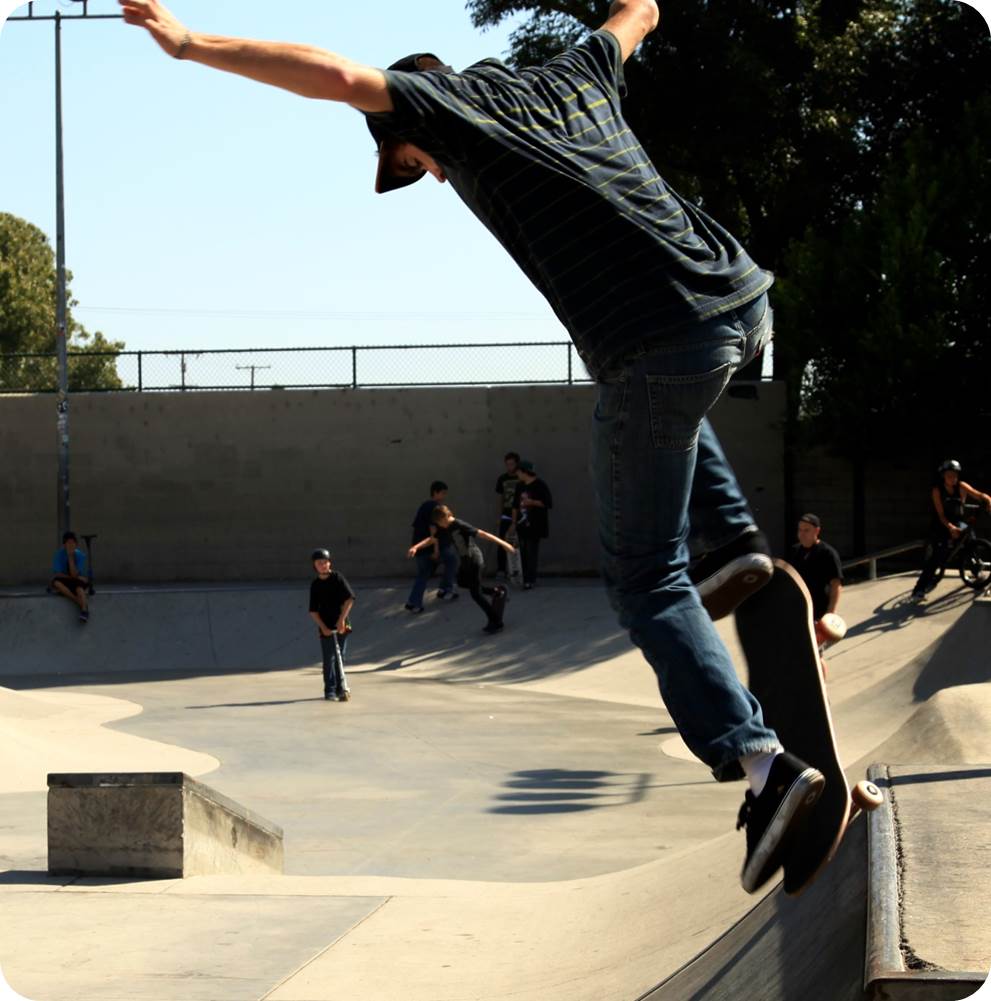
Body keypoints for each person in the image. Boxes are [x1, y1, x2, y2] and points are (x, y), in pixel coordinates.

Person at [121, 0, 823, 894]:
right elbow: (636, 12)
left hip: (654, 347)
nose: (436, 179)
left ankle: (762, 767)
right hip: (739, 302)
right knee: (670, 402)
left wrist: (190, 45)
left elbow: (334, 76)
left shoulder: (451, 111)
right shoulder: (576, 72)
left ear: (413, 121)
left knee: (644, 576)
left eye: (415, 164)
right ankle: (730, 543)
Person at [411, 505, 515, 634]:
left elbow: (483, 534)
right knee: (461, 582)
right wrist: (416, 547)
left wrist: (504, 544)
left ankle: (496, 622)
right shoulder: (445, 527)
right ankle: (495, 592)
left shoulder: (459, 524)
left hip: (475, 560)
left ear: (446, 517)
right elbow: (432, 539)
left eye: (440, 523)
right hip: (465, 561)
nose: (440, 526)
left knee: (475, 594)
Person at [911, 460, 991, 601]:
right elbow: (941, 515)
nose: (952, 478)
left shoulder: (961, 486)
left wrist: (987, 499)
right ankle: (918, 590)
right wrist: (950, 528)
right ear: (943, 476)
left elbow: (979, 495)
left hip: (959, 522)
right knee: (937, 557)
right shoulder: (937, 491)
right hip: (941, 525)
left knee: (971, 539)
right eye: (949, 475)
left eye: (954, 475)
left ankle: (975, 570)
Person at [308, 548, 356, 701]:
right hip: (326, 624)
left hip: (341, 621)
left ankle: (341, 688)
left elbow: (350, 599)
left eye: (325, 562)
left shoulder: (337, 578)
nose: (323, 565)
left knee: (340, 655)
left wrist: (341, 620)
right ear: (314, 566)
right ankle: (330, 690)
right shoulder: (315, 584)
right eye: (319, 563)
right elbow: (313, 611)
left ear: (329, 563)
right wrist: (323, 627)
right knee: (328, 658)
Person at [405, 480, 458, 612]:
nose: (444, 496)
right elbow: (433, 530)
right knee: (451, 560)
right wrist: (436, 550)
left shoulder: (424, 505)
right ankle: (444, 590)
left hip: (420, 545)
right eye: (443, 493)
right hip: (430, 546)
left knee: (424, 573)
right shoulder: (434, 507)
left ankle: (413, 602)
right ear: (435, 493)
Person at [786, 514, 843, 622]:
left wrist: (830, 614)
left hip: (819, 613)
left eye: (806, 530)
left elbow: (836, 585)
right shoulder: (794, 551)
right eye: (800, 530)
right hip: (798, 611)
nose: (802, 534)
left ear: (817, 531)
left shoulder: (827, 553)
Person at [512, 461, 553, 590]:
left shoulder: (540, 485)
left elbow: (548, 503)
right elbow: (514, 506)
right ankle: (524, 578)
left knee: (531, 551)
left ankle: (530, 579)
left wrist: (532, 502)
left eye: (518, 472)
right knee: (522, 552)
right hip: (522, 524)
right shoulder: (519, 486)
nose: (517, 475)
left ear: (525, 472)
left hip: (535, 525)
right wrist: (513, 523)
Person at [51, 531, 90, 623]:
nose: (71, 545)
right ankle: (78, 601)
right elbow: (58, 574)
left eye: (73, 543)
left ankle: (84, 611)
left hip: (78, 579)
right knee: (56, 582)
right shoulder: (59, 554)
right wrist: (73, 577)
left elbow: (76, 574)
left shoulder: (80, 555)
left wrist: (70, 557)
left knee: (79, 588)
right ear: (64, 545)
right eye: (68, 543)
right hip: (69, 579)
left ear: (76, 544)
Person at [494, 452, 522, 580]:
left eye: (512, 464)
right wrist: (499, 515)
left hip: (520, 514)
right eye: (507, 464)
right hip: (506, 514)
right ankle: (501, 569)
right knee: (502, 541)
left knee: (519, 542)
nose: (509, 467)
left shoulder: (521, 477)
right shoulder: (502, 479)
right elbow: (500, 498)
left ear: (517, 464)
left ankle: (518, 569)